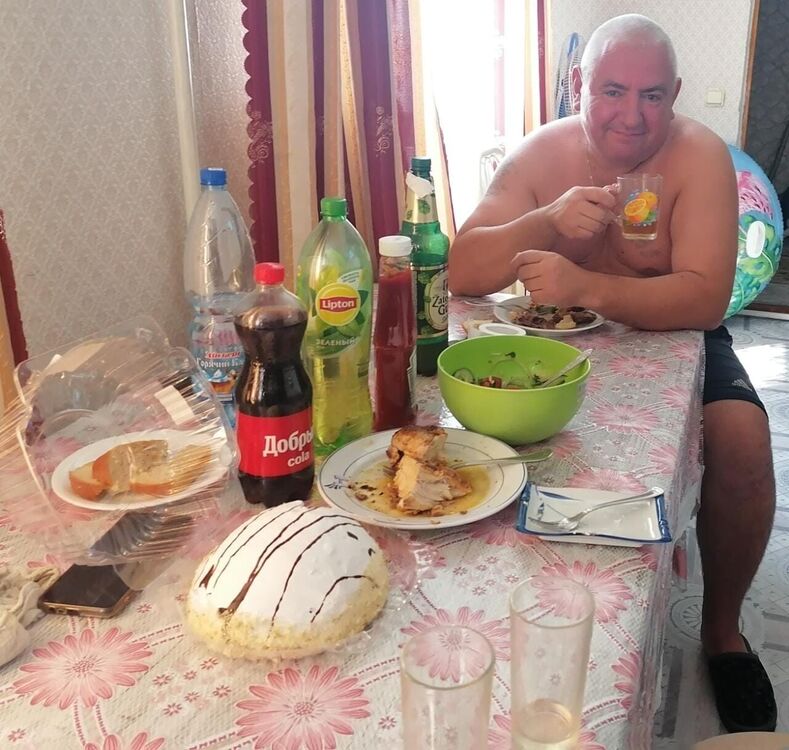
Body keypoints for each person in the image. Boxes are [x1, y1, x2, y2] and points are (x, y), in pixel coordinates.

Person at [449, 14, 777, 735]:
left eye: (652, 95)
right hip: (548, 347)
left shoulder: (699, 157)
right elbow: (463, 269)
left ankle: (722, 633)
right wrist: (545, 221)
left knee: (745, 440)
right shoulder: (543, 152)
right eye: (612, 91)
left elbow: (705, 298)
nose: (631, 115)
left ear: (675, 94)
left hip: (675, 338)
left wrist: (587, 286)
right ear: (579, 85)